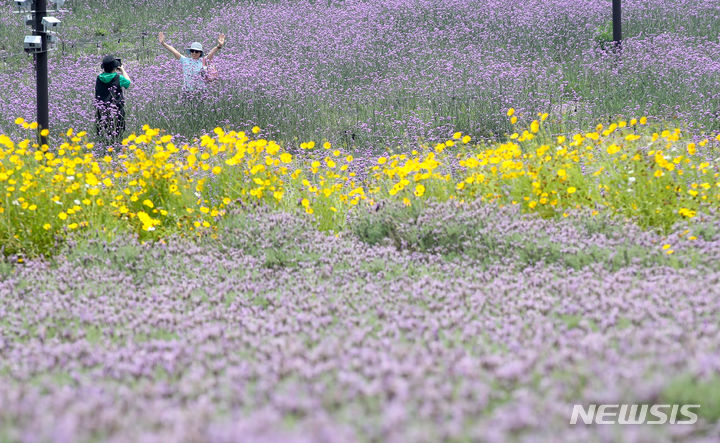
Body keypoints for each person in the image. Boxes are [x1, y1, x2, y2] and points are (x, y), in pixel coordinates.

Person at [158, 32, 225, 94]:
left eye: (196, 51)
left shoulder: (204, 61)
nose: (194, 53)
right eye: (192, 51)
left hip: (201, 91)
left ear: (200, 53)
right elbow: (174, 51)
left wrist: (219, 46)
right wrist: (163, 43)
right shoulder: (185, 60)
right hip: (187, 91)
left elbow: (211, 53)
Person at [95, 54, 131, 154]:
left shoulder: (98, 78)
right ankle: (116, 155)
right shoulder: (118, 78)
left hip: (101, 113)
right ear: (115, 67)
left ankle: (104, 155)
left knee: (103, 136)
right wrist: (122, 70)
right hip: (117, 113)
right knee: (117, 136)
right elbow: (128, 83)